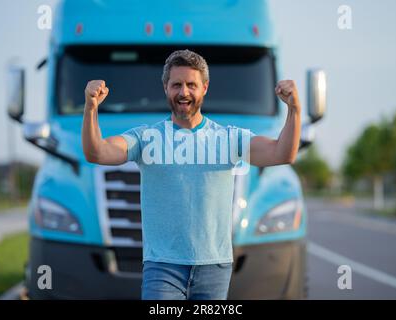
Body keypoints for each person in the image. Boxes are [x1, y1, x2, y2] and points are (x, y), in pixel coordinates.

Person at [82, 49, 301, 300]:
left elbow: (282, 153)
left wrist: (294, 110)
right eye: (176, 85)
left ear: (204, 87)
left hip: (214, 267)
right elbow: (97, 153)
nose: (183, 92)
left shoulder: (229, 138)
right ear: (165, 87)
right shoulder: (145, 138)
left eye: (191, 85)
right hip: (162, 266)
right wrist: (91, 108)